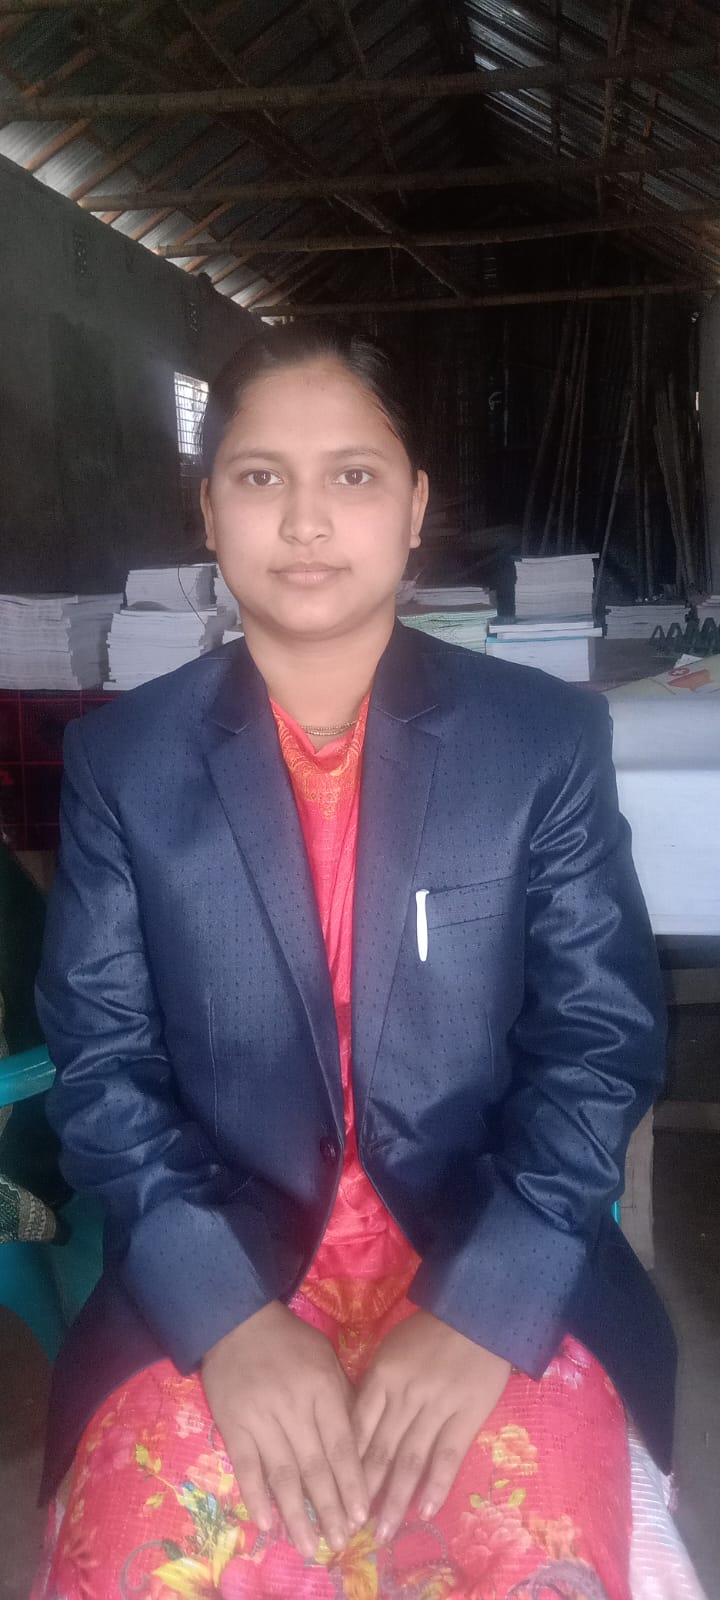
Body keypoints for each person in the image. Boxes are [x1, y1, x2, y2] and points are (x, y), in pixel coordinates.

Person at [32, 322, 692, 1600]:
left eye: (352, 474)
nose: (306, 519)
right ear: (209, 512)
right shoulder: (128, 763)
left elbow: (601, 1042)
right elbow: (103, 1066)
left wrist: (489, 1303)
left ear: (415, 506)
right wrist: (223, 1316)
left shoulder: (537, 742)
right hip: (220, 1259)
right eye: (259, 476)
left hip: (483, 1241)